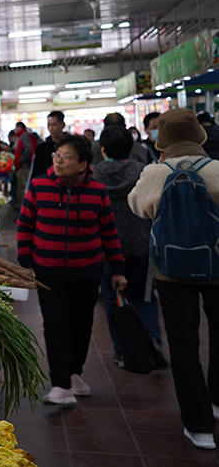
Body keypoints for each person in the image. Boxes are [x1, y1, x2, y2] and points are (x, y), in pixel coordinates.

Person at [129, 109, 219, 450]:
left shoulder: (156, 172)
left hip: (171, 271)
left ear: (161, 140)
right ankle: (217, 401)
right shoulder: (217, 169)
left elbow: (137, 206)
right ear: (199, 136)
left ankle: (199, 427)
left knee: (184, 347)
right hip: (217, 267)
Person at [17, 133, 126, 406]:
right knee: (55, 324)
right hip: (48, 270)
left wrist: (117, 268)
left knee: (81, 325)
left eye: (66, 157)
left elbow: (109, 232)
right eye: (57, 155)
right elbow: (25, 224)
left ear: (83, 164)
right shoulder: (39, 186)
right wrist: (25, 261)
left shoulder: (97, 191)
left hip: (86, 271)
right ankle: (60, 384)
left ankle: (74, 372)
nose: (59, 161)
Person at [92, 126, 163, 368]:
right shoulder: (142, 172)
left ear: (103, 149)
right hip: (140, 243)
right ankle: (151, 337)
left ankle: (123, 350)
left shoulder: (94, 175)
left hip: (107, 248)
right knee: (144, 295)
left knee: (114, 299)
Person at [30, 111, 65, 179]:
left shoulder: (70, 146)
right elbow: (36, 171)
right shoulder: (41, 148)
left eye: (54, 125)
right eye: (49, 125)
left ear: (63, 125)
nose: (51, 128)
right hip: (45, 182)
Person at [13, 122, 36, 201]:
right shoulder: (22, 136)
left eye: (16, 128)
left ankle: (24, 207)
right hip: (22, 166)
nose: (15, 130)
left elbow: (29, 149)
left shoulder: (24, 136)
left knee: (22, 188)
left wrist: (22, 160)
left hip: (23, 167)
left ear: (20, 128)